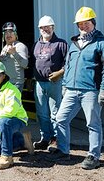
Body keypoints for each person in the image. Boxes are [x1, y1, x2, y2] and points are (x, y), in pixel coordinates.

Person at [47, 7, 104, 170]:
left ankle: (93, 156)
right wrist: (64, 85)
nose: (83, 26)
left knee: (93, 123)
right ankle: (63, 150)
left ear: (93, 23)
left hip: (91, 90)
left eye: (86, 23)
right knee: (61, 119)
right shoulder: (74, 43)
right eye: (80, 24)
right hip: (71, 89)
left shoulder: (103, 43)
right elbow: (68, 65)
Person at [0, 61, 33, 169]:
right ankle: (22, 140)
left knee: (4, 122)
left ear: (4, 75)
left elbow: (10, 111)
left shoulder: (12, 90)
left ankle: (7, 157)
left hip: (16, 120)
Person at [30, 15, 68, 151]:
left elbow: (68, 63)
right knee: (42, 114)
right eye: (42, 27)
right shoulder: (35, 45)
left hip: (54, 83)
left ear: (53, 27)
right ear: (39, 29)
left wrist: (60, 72)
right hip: (39, 84)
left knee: (55, 113)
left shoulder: (61, 44)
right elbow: (32, 63)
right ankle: (45, 138)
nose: (45, 29)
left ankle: (56, 139)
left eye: (48, 27)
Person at [0, 22, 28, 92]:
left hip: (15, 84)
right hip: (5, 83)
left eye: (11, 32)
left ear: (15, 34)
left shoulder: (20, 46)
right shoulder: (4, 48)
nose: (8, 34)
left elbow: (25, 64)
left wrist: (14, 53)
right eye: (5, 32)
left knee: (13, 103)